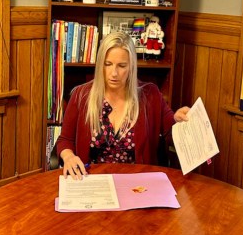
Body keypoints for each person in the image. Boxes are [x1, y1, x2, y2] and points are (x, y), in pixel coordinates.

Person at [56, 31, 190, 179]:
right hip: (92, 181)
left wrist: (179, 121)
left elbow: (171, 132)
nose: (114, 73)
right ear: (100, 64)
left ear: (131, 67)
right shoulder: (81, 95)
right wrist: (69, 157)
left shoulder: (150, 95)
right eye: (108, 64)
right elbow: (65, 140)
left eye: (121, 66)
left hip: (137, 183)